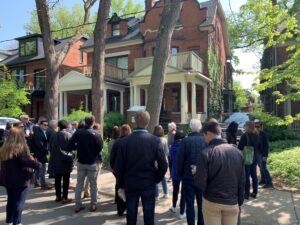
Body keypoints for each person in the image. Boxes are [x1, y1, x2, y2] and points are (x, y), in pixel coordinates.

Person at [114, 111, 168, 225]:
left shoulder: (124, 142)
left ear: (135, 122)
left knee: (131, 215)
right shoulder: (155, 141)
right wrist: (156, 178)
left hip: (131, 183)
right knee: (149, 216)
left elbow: (118, 167)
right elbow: (163, 165)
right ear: (148, 123)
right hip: (148, 183)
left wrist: (122, 184)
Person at [194, 122, 245, 225]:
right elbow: (242, 181)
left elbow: (200, 184)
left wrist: (196, 173)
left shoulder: (206, 153)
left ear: (208, 134)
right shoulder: (238, 153)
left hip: (212, 201)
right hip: (232, 201)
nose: (204, 138)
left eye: (204, 135)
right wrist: (239, 201)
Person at [0, 127, 41, 225]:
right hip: (20, 179)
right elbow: (25, 161)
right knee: (19, 202)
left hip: (8, 179)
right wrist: (37, 164)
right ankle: (16, 222)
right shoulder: (19, 148)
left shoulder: (4, 148)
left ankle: (9, 221)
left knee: (11, 201)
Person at [68, 115, 103, 213]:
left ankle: (77, 205)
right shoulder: (96, 134)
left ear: (85, 121)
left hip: (81, 162)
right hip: (92, 162)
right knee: (93, 184)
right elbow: (100, 148)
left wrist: (78, 147)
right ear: (93, 122)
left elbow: (70, 145)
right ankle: (93, 204)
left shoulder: (78, 133)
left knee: (79, 184)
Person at [176, 119, 207, 225]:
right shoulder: (205, 140)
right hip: (202, 177)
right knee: (201, 204)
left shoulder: (185, 141)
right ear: (200, 128)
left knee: (189, 204)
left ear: (190, 128)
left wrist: (181, 174)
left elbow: (180, 160)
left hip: (188, 177)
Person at [49, 120, 73, 204]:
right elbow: (72, 147)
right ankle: (65, 197)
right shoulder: (68, 135)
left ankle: (58, 196)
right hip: (65, 160)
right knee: (66, 180)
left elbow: (50, 148)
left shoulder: (53, 135)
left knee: (57, 179)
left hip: (55, 160)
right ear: (66, 126)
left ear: (58, 126)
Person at [110, 124, 132, 216]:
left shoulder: (117, 142)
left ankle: (120, 209)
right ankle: (129, 208)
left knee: (119, 187)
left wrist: (114, 168)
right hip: (129, 169)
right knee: (129, 189)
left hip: (118, 169)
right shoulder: (131, 141)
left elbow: (112, 157)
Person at [238, 121, 260, 199]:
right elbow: (259, 145)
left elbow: (240, 147)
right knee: (254, 174)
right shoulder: (257, 134)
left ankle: (246, 193)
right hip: (256, 155)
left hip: (247, 156)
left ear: (248, 126)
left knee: (246, 175)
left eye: (245, 125)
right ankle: (255, 192)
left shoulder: (245, 135)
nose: (244, 127)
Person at [169, 130, 186, 219]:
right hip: (184, 172)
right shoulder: (185, 146)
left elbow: (171, 159)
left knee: (175, 190)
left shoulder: (172, 147)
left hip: (175, 171)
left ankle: (174, 206)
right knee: (183, 192)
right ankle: (182, 212)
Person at [31, 117, 52, 190]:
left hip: (39, 153)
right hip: (39, 153)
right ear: (40, 125)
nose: (46, 126)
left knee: (37, 168)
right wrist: (46, 151)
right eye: (44, 125)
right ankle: (43, 184)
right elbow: (39, 144)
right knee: (42, 169)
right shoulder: (38, 132)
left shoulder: (42, 131)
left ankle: (36, 182)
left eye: (47, 125)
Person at [255, 121, 273, 188]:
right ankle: (263, 180)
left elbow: (266, 146)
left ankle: (269, 182)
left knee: (264, 167)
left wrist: (265, 155)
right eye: (255, 126)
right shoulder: (257, 134)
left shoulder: (264, 135)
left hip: (263, 153)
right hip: (258, 153)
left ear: (261, 127)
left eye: (258, 127)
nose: (257, 128)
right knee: (260, 167)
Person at [153, 125, 169, 199]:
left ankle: (156, 195)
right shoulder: (164, 140)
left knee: (155, 178)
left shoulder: (152, 139)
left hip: (155, 161)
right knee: (163, 177)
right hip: (163, 161)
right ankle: (166, 193)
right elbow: (167, 152)